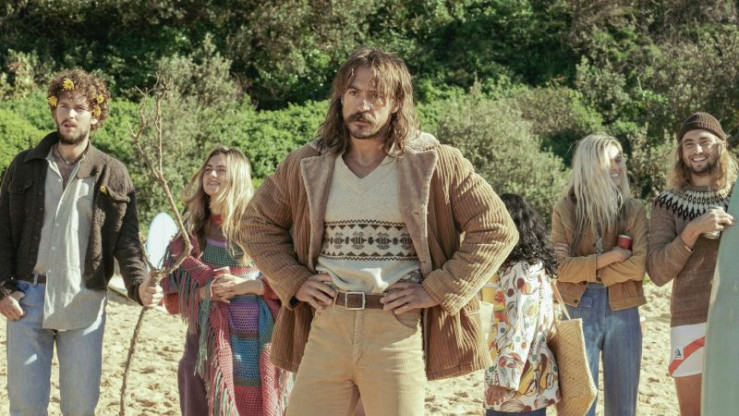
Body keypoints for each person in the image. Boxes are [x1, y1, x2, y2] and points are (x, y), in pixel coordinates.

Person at [242, 47, 518, 416]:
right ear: (341, 97)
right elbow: (256, 224)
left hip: (395, 330)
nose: (362, 105)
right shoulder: (308, 162)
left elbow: (497, 229)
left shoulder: (435, 162)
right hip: (327, 325)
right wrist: (294, 280)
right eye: (353, 92)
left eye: (375, 95)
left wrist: (436, 289)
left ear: (396, 103)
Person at [0, 69, 161, 415]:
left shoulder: (111, 172)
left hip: (84, 300)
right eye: (63, 105)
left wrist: (138, 286)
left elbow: (127, 242)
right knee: (25, 408)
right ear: (54, 109)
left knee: (80, 408)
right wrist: (3, 288)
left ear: (96, 116)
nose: (69, 114)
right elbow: (3, 230)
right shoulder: (24, 165)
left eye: (80, 108)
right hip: (26, 300)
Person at [160, 147, 291, 415]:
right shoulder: (191, 230)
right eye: (208, 169)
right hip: (205, 338)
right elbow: (172, 302)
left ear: (238, 177)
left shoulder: (261, 226)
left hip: (257, 339)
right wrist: (205, 292)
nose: (212, 175)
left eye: (221, 170)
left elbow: (290, 280)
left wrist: (248, 286)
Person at [550, 133, 647, 416]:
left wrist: (586, 270)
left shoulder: (634, 209)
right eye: (609, 161)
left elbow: (638, 266)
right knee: (579, 405)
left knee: (623, 407)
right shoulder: (565, 209)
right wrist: (611, 257)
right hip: (577, 307)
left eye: (620, 160)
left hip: (625, 307)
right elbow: (560, 269)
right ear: (590, 165)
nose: (618, 167)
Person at [647, 112, 736, 416]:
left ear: (721, 145)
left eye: (704, 141)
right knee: (692, 411)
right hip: (689, 318)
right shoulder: (666, 203)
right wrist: (693, 230)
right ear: (681, 153)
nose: (697, 150)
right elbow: (658, 272)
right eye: (689, 144)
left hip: (734, 317)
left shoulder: (737, 196)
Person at [485, 194, 560, 416]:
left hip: (517, 384)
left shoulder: (519, 271)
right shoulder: (533, 265)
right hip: (532, 379)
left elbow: (519, 327)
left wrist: (503, 380)